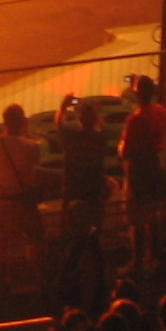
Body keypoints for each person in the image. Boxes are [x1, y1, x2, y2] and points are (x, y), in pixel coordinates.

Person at [51, 96, 112, 313]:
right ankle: (99, 285)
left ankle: (67, 284)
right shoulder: (100, 138)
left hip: (73, 193)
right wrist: (98, 115)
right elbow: (104, 128)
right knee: (94, 241)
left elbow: (58, 123)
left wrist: (63, 106)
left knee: (71, 240)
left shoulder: (71, 137)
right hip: (93, 194)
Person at [0, 104, 46, 298]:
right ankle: (39, 279)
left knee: (2, 245)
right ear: (22, 121)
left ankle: (4, 281)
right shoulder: (31, 147)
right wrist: (27, 133)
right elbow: (35, 157)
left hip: (2, 202)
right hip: (24, 202)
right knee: (35, 239)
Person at [120, 76, 166, 280]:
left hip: (139, 170)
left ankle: (138, 262)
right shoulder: (160, 111)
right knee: (153, 214)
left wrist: (121, 145)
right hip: (155, 166)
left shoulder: (136, 119)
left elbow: (126, 152)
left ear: (137, 93)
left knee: (137, 218)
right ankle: (156, 255)